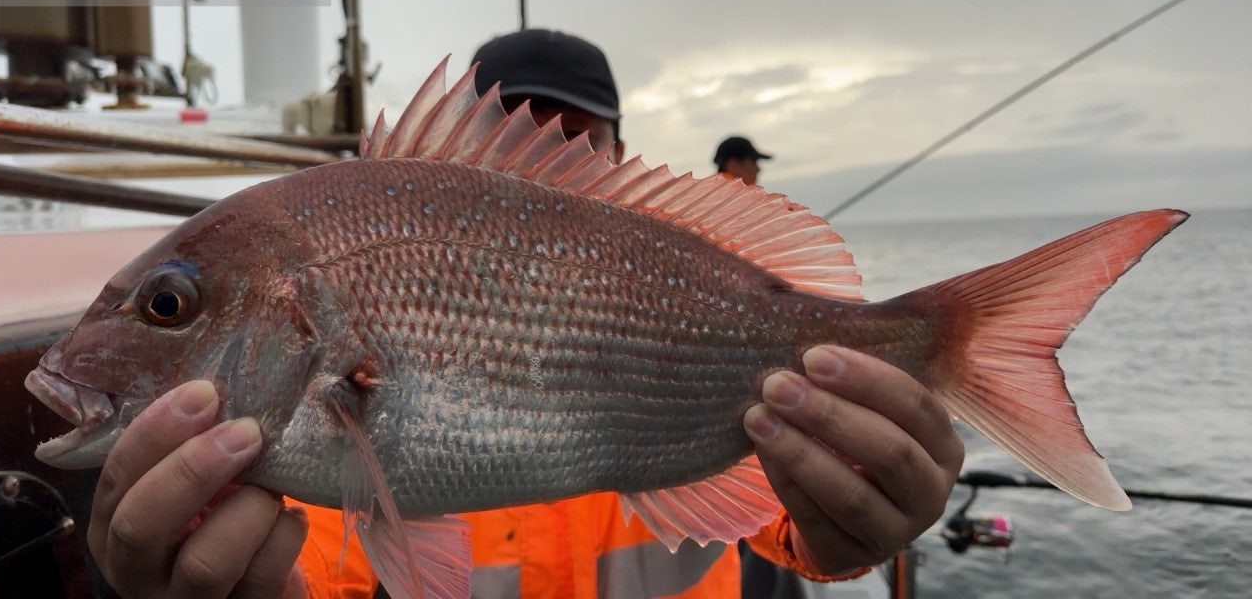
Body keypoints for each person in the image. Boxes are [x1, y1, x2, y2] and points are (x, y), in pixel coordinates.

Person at [84, 29, 964, 598]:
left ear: (620, 164)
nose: (540, 174)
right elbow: (313, 573)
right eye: (514, 138)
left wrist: (855, 522)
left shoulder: (698, 293)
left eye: (574, 149)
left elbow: (798, 528)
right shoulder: (288, 461)